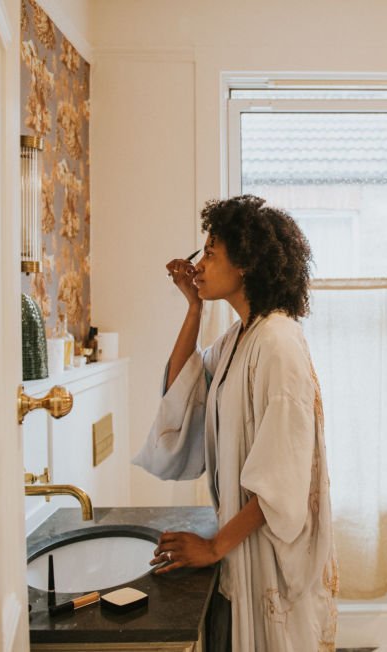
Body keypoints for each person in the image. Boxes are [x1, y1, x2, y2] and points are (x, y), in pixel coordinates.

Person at [132, 195, 338, 652]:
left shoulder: (277, 343)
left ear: (244, 264)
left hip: (269, 552)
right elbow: (183, 389)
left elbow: (283, 474)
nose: (199, 264)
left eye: (210, 252)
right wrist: (193, 309)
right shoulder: (240, 336)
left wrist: (213, 546)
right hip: (241, 539)